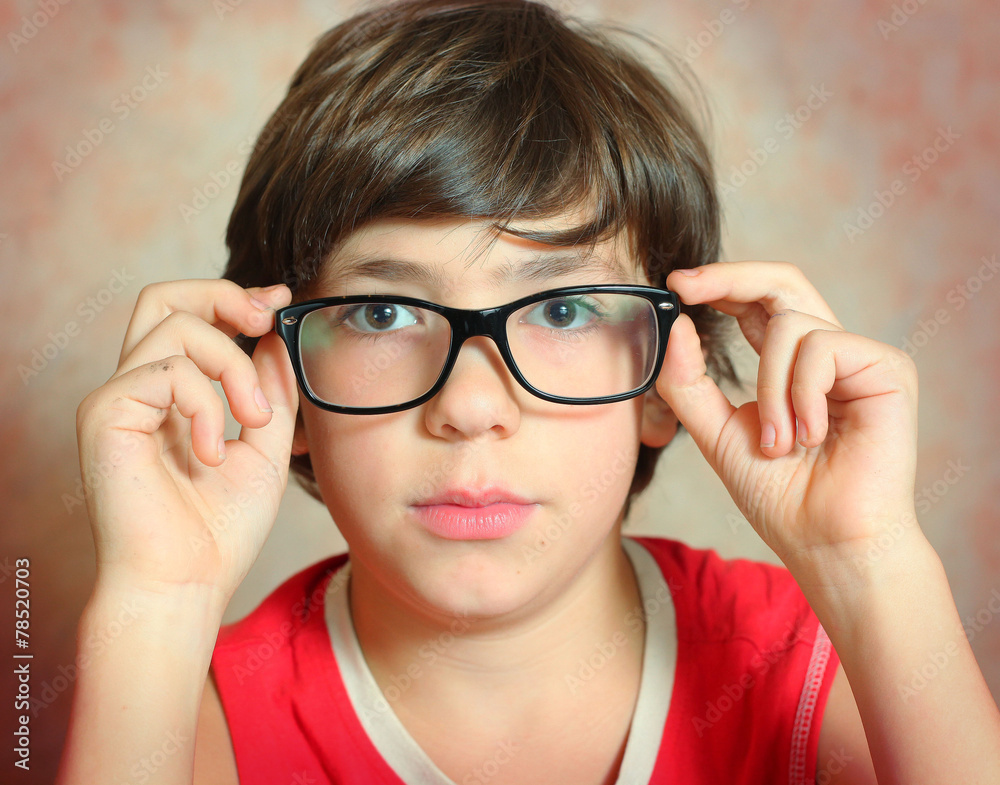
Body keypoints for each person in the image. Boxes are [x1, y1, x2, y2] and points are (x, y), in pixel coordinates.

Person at [58, 1, 1000, 783]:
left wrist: (870, 560)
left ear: (668, 380)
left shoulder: (809, 665)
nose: (472, 406)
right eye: (384, 314)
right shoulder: (192, 716)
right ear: (280, 378)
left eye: (563, 311)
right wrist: (154, 601)